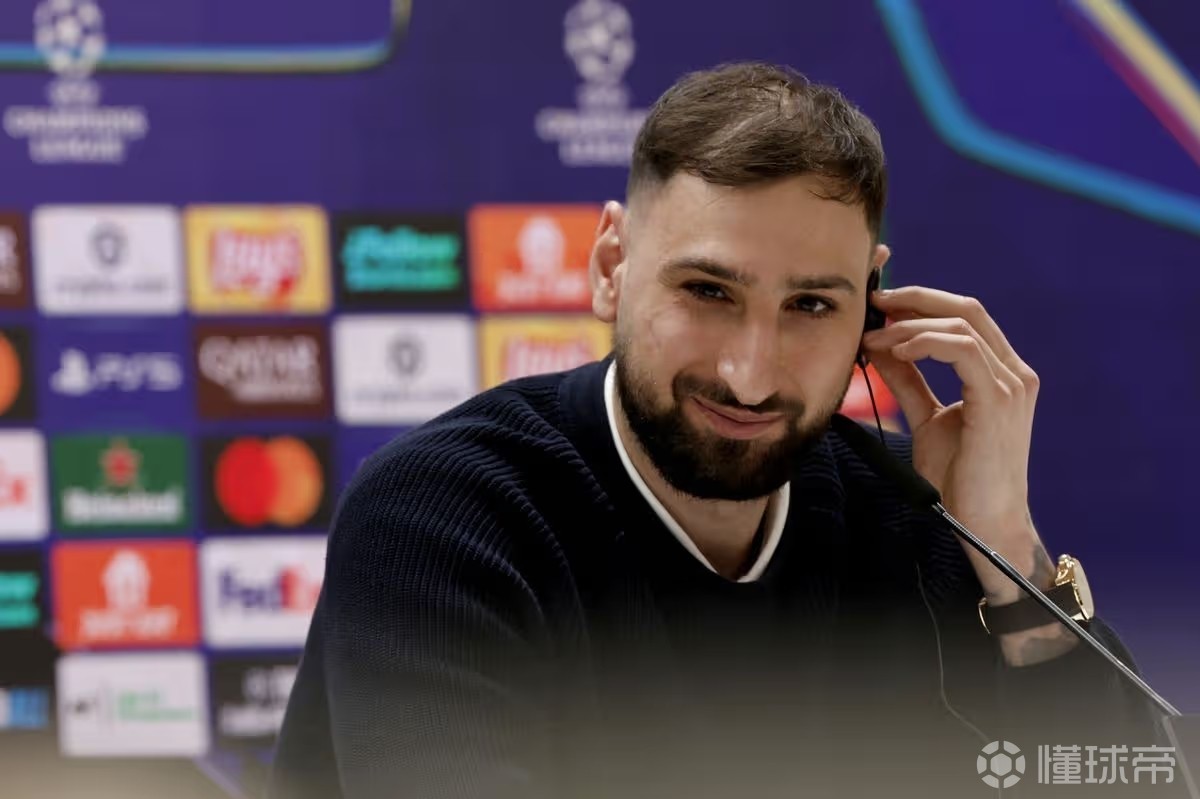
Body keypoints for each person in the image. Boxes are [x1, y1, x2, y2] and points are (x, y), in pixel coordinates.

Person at [269, 62, 1177, 799]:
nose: (751, 372)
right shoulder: (443, 515)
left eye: (811, 305)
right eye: (708, 291)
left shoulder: (921, 514)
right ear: (611, 267)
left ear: (872, 307)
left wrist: (1006, 547)